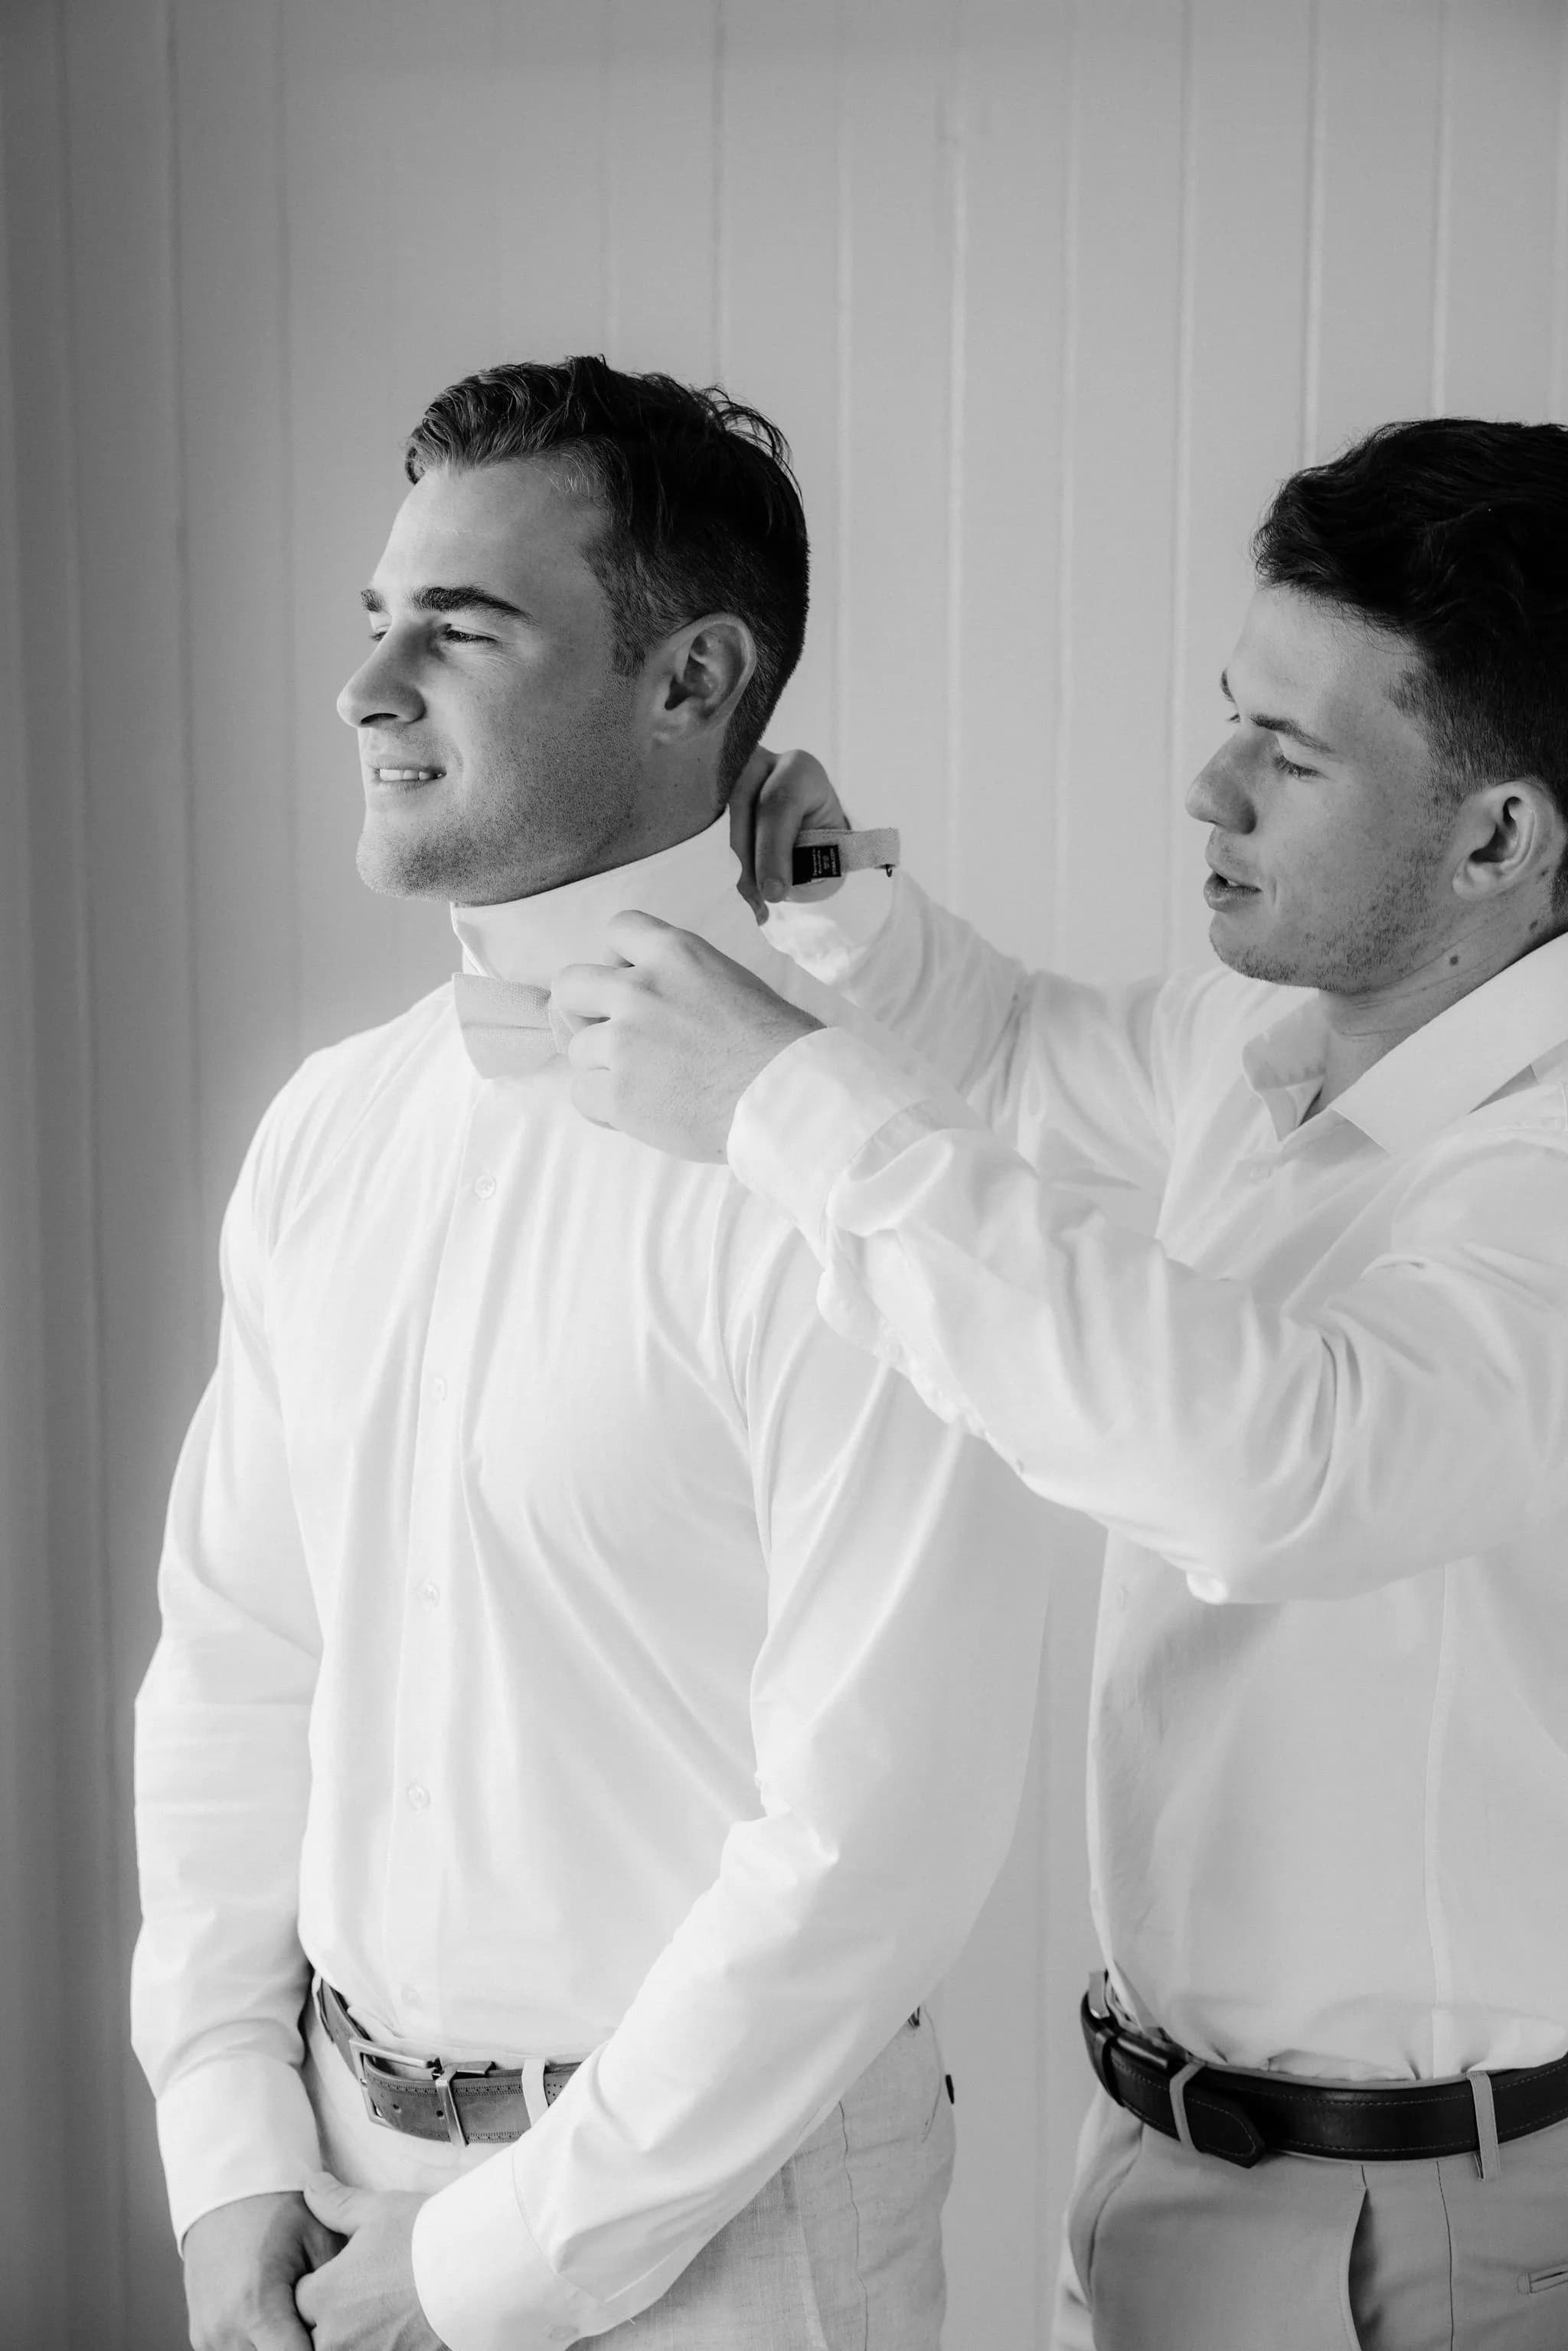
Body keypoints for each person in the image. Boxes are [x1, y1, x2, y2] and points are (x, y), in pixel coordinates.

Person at [553, 417, 1568, 2349]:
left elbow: (1278, 1474)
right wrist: (833, 898)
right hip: (1175, 2171)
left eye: (1290, 754)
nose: (1208, 785)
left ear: (1497, 839)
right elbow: (1021, 1053)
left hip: (1440, 2233)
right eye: (1229, 716)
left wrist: (785, 1103)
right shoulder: (1274, 1023)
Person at [131, 356, 1055, 2351]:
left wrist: (484, 2265)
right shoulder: (328, 1132)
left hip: (736, 2246)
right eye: (375, 624)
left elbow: (871, 1851)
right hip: (328, 2201)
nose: (371, 690)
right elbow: (231, 1674)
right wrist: (227, 2157)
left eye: (458, 632)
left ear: (689, 679)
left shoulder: (881, 1172)